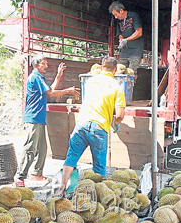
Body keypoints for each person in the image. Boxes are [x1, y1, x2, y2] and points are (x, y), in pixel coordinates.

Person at [57, 56, 126, 196]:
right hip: (99, 128)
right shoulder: (117, 87)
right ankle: (97, 195)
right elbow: (120, 115)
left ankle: (62, 188)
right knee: (99, 166)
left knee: (71, 157)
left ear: (101, 68)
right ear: (115, 70)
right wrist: (115, 123)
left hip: (81, 123)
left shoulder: (90, 81)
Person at [15, 55, 80, 187]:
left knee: (42, 148)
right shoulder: (35, 77)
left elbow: (50, 90)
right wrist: (68, 91)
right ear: (36, 65)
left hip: (39, 118)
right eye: (43, 63)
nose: (46, 66)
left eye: (46, 63)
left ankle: (36, 174)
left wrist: (58, 75)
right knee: (30, 148)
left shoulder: (40, 78)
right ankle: (19, 176)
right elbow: (51, 93)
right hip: (32, 118)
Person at [109, 1, 144, 74]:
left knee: (131, 72)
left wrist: (126, 40)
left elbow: (139, 32)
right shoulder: (119, 22)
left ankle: (131, 85)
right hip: (125, 51)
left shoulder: (133, 16)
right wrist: (121, 39)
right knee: (118, 70)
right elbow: (120, 34)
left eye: (116, 14)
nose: (115, 17)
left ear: (121, 10)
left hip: (136, 50)